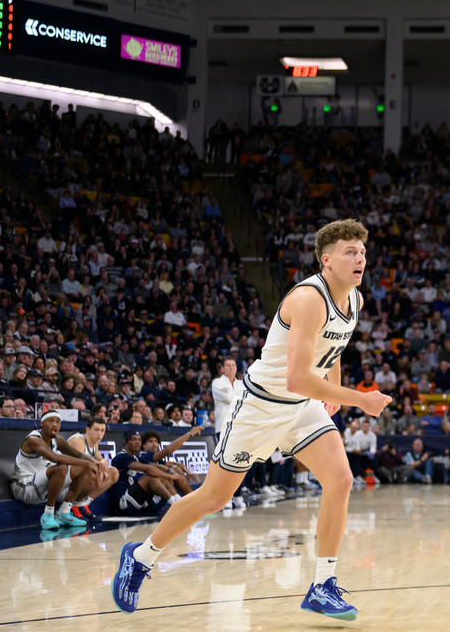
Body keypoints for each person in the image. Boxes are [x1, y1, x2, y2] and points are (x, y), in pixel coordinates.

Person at [111, 220, 391, 619]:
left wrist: (335, 385)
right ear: (326, 260)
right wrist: (357, 399)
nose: (360, 257)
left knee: (341, 480)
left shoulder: (355, 300)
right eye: (350, 251)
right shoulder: (309, 297)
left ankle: (322, 585)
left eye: (362, 252)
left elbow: (335, 345)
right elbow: (296, 377)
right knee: (214, 497)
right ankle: (139, 557)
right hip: (261, 408)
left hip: (301, 407)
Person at [11, 411, 100, 530]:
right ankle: (47, 515)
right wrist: (88, 463)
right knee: (61, 467)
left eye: (58, 422)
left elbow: (79, 455)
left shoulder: (57, 440)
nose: (55, 425)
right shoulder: (33, 439)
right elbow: (54, 457)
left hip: (42, 487)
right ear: (42, 424)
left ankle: (64, 512)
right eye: (51, 421)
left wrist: (95, 462)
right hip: (23, 488)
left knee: (85, 470)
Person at [110, 430, 184, 517]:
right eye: (134, 439)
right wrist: (170, 475)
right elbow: (148, 468)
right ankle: (176, 505)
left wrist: (169, 472)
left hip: (135, 499)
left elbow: (155, 466)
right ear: (125, 442)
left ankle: (180, 502)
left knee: (160, 476)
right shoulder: (121, 457)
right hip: (123, 502)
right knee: (150, 476)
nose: (137, 442)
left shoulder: (136, 458)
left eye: (139, 440)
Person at [66, 416, 119, 520]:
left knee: (113, 473)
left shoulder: (94, 443)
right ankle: (72, 506)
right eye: (96, 430)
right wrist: (100, 467)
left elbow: (101, 460)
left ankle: (82, 506)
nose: (99, 434)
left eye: (102, 430)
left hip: (76, 482)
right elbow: (79, 466)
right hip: (63, 483)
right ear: (88, 430)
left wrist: (104, 462)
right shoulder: (78, 440)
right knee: (94, 472)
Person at [210, 356, 245, 509]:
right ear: (222, 368)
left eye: (233, 365)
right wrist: (243, 399)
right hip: (224, 428)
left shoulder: (241, 383)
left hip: (240, 428)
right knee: (225, 463)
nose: (231, 368)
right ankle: (226, 498)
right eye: (227, 365)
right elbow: (233, 398)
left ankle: (237, 496)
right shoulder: (217, 383)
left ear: (236, 368)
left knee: (241, 462)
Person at [139, 428, 204, 496]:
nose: (154, 444)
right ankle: (192, 498)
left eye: (156, 441)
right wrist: (189, 434)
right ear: (143, 445)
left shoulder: (154, 459)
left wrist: (188, 471)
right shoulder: (145, 456)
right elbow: (168, 450)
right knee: (174, 471)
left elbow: (175, 464)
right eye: (150, 441)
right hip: (144, 493)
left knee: (176, 469)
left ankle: (191, 498)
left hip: (155, 491)